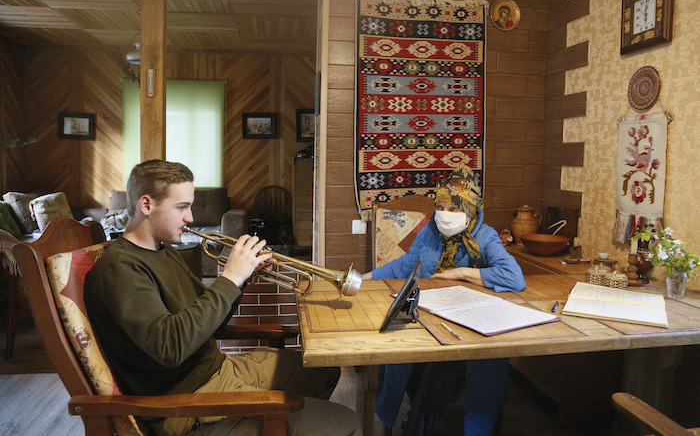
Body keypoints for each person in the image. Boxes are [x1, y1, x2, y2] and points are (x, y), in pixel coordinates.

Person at [85, 160, 361, 436]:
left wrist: (241, 280)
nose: (190, 218)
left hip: (216, 369)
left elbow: (209, 322)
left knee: (324, 371)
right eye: (181, 207)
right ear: (147, 205)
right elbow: (170, 347)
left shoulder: (163, 252)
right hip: (185, 402)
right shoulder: (120, 269)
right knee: (346, 423)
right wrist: (230, 278)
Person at [362, 166, 526, 436]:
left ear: (471, 209)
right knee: (397, 350)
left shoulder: (486, 236)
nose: (444, 215)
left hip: (469, 326)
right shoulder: (430, 231)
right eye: (440, 207)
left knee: (439, 371)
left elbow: (514, 278)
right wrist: (368, 276)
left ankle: (420, 425)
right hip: (426, 317)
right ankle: (405, 418)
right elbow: (407, 264)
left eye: (453, 209)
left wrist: (461, 272)